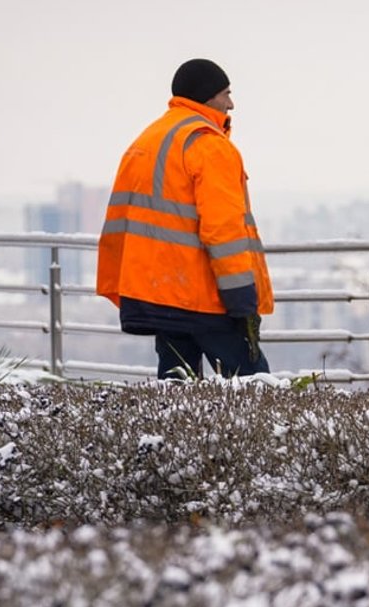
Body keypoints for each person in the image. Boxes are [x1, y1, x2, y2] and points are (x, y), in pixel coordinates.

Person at [97, 58, 273, 379]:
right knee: (253, 386)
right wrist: (242, 302)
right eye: (226, 93)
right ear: (207, 96)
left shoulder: (147, 140)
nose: (231, 103)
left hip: (157, 295)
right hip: (204, 299)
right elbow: (223, 232)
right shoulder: (209, 146)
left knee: (178, 394)